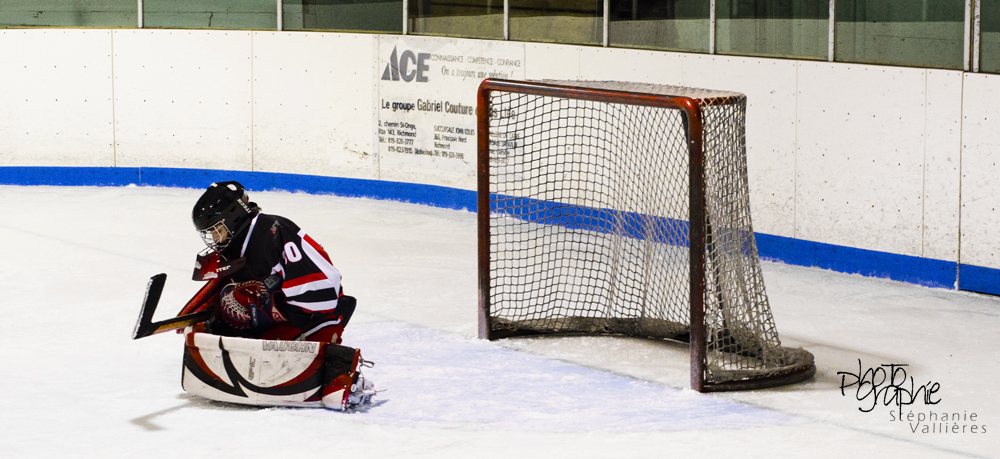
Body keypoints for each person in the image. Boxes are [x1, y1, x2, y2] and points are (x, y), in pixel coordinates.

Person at [190, 181, 354, 344]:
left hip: (317, 318)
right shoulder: (237, 241)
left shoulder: (272, 233)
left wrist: (271, 310)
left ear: (233, 218)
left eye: (218, 230)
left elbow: (324, 290)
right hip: (283, 319)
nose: (214, 239)